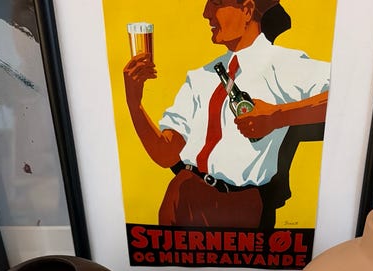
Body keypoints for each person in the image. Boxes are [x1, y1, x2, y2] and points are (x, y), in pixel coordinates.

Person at [123, 0, 330, 228]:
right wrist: (134, 103)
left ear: (247, 10)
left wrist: (277, 117)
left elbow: (344, 97)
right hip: (181, 196)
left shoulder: (283, 64)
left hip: (240, 205)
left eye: (217, 3)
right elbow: (166, 155)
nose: (206, 13)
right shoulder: (201, 76)